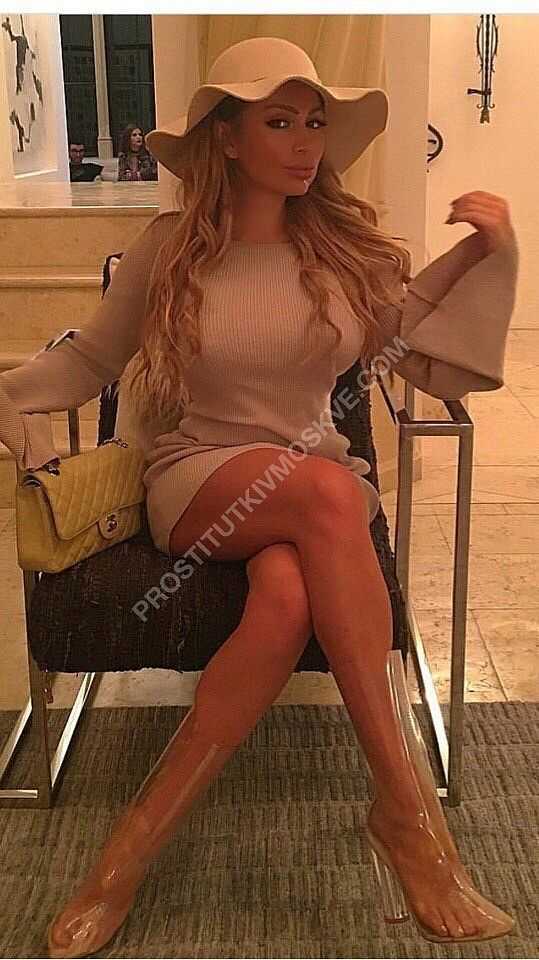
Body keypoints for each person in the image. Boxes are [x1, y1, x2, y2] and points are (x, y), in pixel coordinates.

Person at [0, 37, 519, 958]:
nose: (304, 141)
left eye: (314, 121)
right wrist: (9, 394)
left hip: (309, 483)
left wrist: (486, 252)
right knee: (327, 497)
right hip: (199, 476)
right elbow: (91, 359)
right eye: (278, 121)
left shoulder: (338, 249)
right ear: (227, 138)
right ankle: (406, 812)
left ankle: (123, 858)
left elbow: (403, 338)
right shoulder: (170, 248)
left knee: (284, 597)